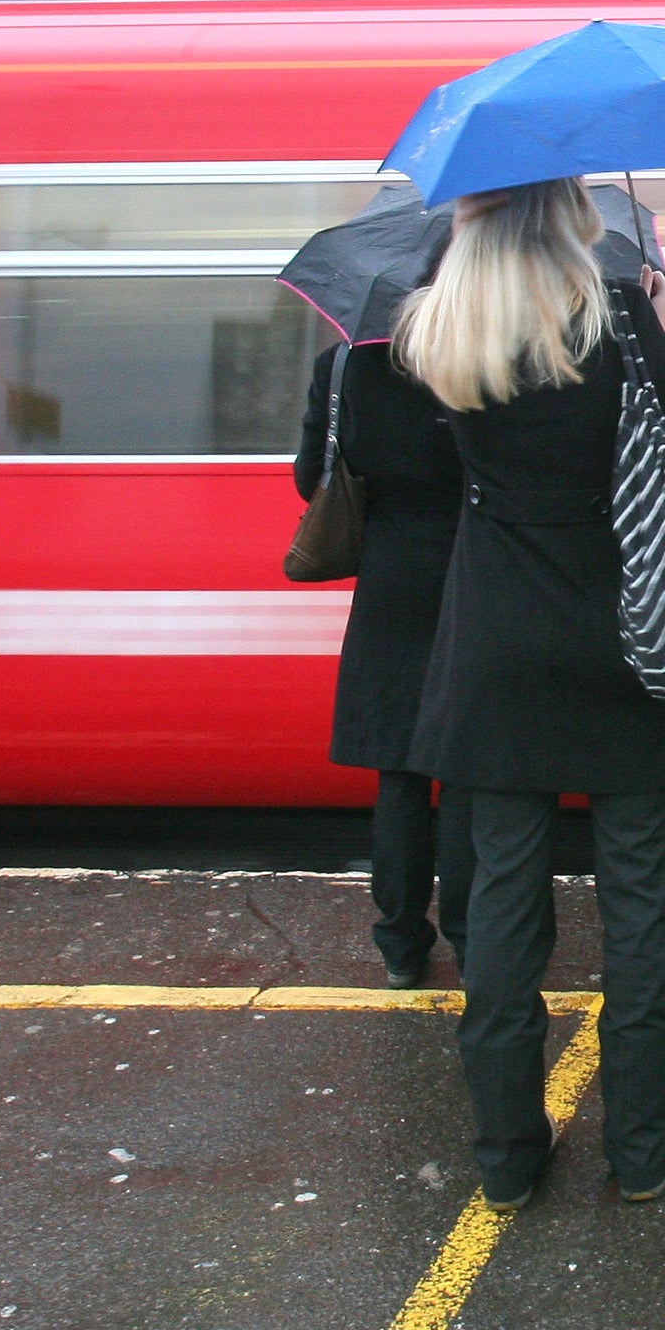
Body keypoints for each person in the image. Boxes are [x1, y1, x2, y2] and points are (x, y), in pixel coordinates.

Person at [399, 178, 665, 1212]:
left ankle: (506, 1156)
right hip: (625, 642)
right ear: (570, 213)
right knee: (636, 903)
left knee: (500, 903)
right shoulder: (615, 314)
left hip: (498, 648)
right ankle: (641, 1152)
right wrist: (657, 322)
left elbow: (428, 474)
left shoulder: (440, 321)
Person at [295, 338, 471, 990]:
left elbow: (312, 476)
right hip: (474, 574)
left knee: (399, 774)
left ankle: (400, 944)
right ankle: (471, 939)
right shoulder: (485, 352)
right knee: (467, 774)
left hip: (391, 577)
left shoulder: (347, 364)